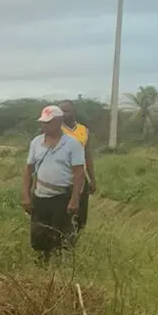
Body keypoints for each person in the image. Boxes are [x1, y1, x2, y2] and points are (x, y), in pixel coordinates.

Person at [22, 105, 85, 259]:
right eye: (43, 122)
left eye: (48, 122)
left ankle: (59, 269)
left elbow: (79, 173)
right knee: (38, 237)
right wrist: (25, 196)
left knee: (60, 237)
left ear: (59, 121)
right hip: (40, 196)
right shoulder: (36, 143)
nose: (44, 125)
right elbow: (28, 171)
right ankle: (42, 266)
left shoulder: (72, 144)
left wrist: (75, 199)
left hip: (62, 198)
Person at [58, 99, 97, 233]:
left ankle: (76, 241)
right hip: (62, 178)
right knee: (62, 213)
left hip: (80, 177)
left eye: (66, 110)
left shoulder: (83, 130)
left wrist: (92, 178)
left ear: (74, 112)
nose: (63, 114)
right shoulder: (57, 130)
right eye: (61, 111)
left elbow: (87, 154)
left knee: (80, 214)